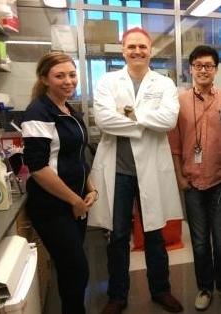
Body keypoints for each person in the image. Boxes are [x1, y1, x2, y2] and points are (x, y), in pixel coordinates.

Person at [88, 27, 184, 314]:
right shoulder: (108, 81)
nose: (137, 51)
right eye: (132, 47)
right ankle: (117, 296)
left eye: (143, 46)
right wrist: (146, 123)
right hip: (118, 170)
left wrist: (129, 116)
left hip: (152, 170)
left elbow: (168, 120)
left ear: (150, 50)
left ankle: (161, 290)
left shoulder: (164, 83)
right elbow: (105, 121)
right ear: (123, 50)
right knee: (117, 235)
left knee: (155, 233)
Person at [21, 52, 98, 314]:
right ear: (44, 79)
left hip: (75, 204)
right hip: (53, 207)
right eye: (60, 75)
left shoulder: (69, 110)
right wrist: (75, 200)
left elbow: (78, 157)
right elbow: (39, 168)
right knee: (77, 269)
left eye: (72, 74)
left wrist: (91, 189)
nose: (68, 81)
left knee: (71, 272)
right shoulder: (38, 112)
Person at [168, 45, 221, 311]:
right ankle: (204, 288)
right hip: (191, 184)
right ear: (190, 69)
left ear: (216, 70)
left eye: (209, 65)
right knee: (199, 243)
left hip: (219, 182)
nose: (203, 70)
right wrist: (179, 177)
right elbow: (174, 145)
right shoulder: (178, 102)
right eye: (198, 65)